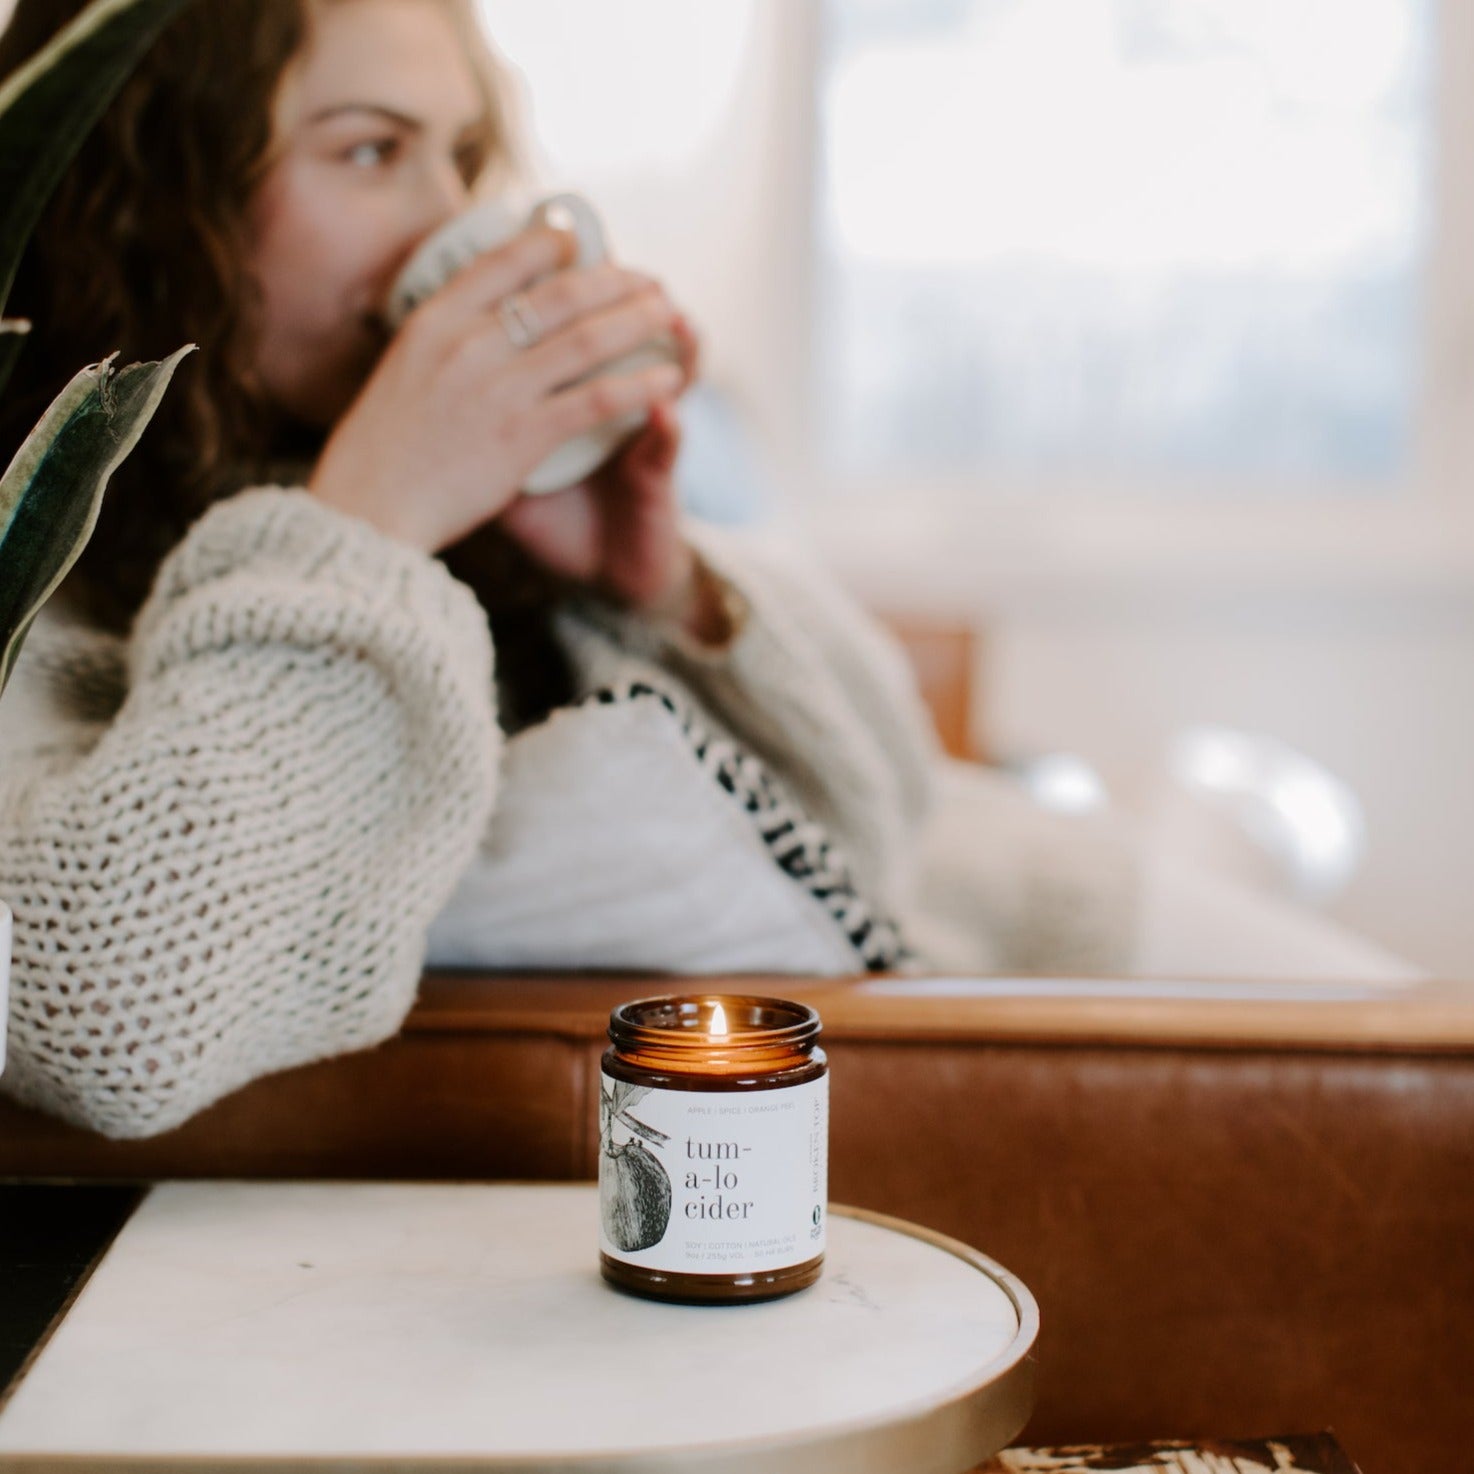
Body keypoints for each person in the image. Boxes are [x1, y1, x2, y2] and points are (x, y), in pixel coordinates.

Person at [0, 0, 942, 1140]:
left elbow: (896, 827)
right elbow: (103, 1014)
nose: (448, 220)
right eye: (370, 149)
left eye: (459, 156)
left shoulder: (455, 536)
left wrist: (658, 589)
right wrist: (375, 511)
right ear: (153, 196)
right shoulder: (42, 567)